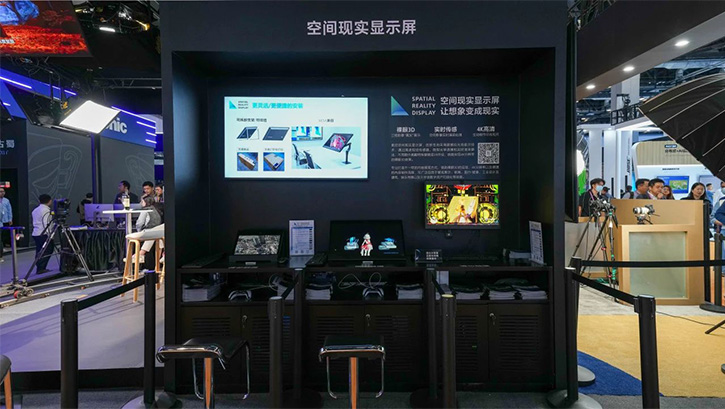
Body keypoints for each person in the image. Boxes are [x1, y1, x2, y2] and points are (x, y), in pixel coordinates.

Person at [129, 195, 164, 265]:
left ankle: (140, 254)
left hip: (147, 231)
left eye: (141, 201)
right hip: (156, 231)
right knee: (158, 235)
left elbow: (139, 223)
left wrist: (138, 230)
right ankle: (157, 263)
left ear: (145, 202)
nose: (140, 203)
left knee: (153, 233)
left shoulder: (145, 210)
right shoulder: (156, 209)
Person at [31, 194, 54, 274]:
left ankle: (39, 266)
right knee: (47, 250)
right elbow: (46, 223)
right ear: (49, 201)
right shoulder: (46, 211)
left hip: (36, 233)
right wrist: (50, 235)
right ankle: (41, 268)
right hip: (43, 234)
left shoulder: (35, 210)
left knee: (39, 250)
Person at [0, 187, 12, 262]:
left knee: (4, 235)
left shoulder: (6, 200)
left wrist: (10, 219)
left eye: (3, 191)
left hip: (4, 220)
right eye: (0, 191)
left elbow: (9, 210)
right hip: (1, 221)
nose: (2, 193)